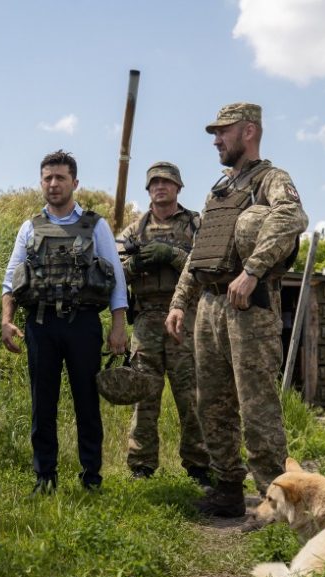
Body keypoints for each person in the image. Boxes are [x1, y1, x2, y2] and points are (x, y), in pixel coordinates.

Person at [166, 103, 308, 517]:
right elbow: (200, 249)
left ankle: (275, 499)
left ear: (248, 131)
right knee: (213, 401)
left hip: (249, 305)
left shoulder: (272, 179)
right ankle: (227, 485)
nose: (215, 140)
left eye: (222, 132)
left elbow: (291, 218)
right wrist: (179, 302)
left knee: (257, 403)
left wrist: (252, 270)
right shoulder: (220, 189)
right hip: (209, 306)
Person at [1, 150, 128, 493]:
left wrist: (118, 326)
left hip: (83, 324)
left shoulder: (95, 225)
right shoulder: (29, 227)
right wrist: (6, 320)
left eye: (60, 178)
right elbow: (11, 280)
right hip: (41, 325)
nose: (53, 184)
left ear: (74, 182)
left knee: (87, 401)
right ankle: (45, 476)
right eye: (48, 178)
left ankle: (92, 477)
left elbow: (116, 277)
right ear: (41, 182)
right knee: (43, 404)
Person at [118, 162, 210, 486]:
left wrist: (171, 254)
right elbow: (114, 273)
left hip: (185, 316)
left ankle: (200, 466)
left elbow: (206, 264)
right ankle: (141, 465)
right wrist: (136, 263)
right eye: (154, 182)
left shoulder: (195, 223)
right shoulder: (134, 230)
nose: (160, 187)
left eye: (167, 182)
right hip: (146, 319)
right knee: (145, 393)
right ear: (148, 190)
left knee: (192, 395)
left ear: (178, 187)